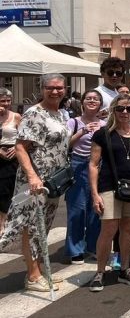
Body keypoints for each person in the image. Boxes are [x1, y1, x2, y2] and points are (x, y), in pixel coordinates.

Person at [0, 73, 70, 292]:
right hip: (35, 182)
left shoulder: (60, 113)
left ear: (65, 89)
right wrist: (31, 176)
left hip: (53, 181)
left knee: (43, 227)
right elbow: (20, 147)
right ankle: (32, 276)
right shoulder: (34, 113)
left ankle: (40, 271)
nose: (55, 91)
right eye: (50, 87)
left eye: (59, 87)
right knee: (31, 228)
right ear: (42, 89)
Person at [88, 94, 130, 291]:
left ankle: (125, 268)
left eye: (129, 109)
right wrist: (94, 193)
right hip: (109, 186)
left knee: (128, 228)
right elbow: (93, 164)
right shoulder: (103, 134)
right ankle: (100, 271)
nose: (125, 112)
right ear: (114, 109)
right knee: (109, 229)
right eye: (121, 108)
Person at [65, 89, 105, 263]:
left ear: (100, 104)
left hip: (99, 166)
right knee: (77, 208)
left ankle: (93, 246)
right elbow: (65, 144)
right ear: (82, 102)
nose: (92, 101)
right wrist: (82, 131)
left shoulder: (104, 124)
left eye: (95, 99)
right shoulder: (73, 122)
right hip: (78, 164)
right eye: (88, 98)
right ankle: (75, 250)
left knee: (96, 208)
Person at [0, 88, 20, 234]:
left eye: (8, 101)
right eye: (2, 101)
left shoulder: (16, 117)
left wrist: (16, 147)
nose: (6, 104)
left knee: (6, 191)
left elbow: (24, 136)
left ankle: (4, 225)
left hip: (11, 157)